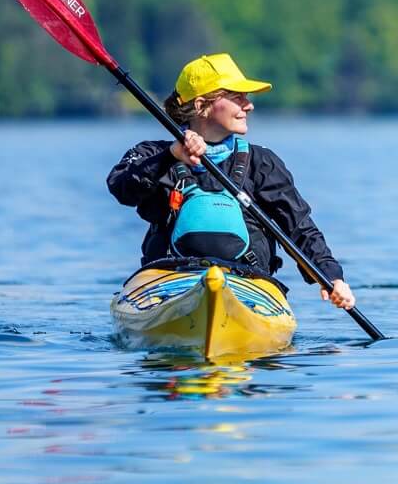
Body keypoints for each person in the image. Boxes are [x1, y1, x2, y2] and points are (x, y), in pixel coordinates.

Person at [106, 52, 356, 311]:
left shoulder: (262, 163)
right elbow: (121, 187)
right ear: (202, 105)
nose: (249, 106)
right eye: (237, 97)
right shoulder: (153, 154)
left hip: (249, 285)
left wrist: (331, 276)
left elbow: (299, 227)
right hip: (167, 283)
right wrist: (170, 156)